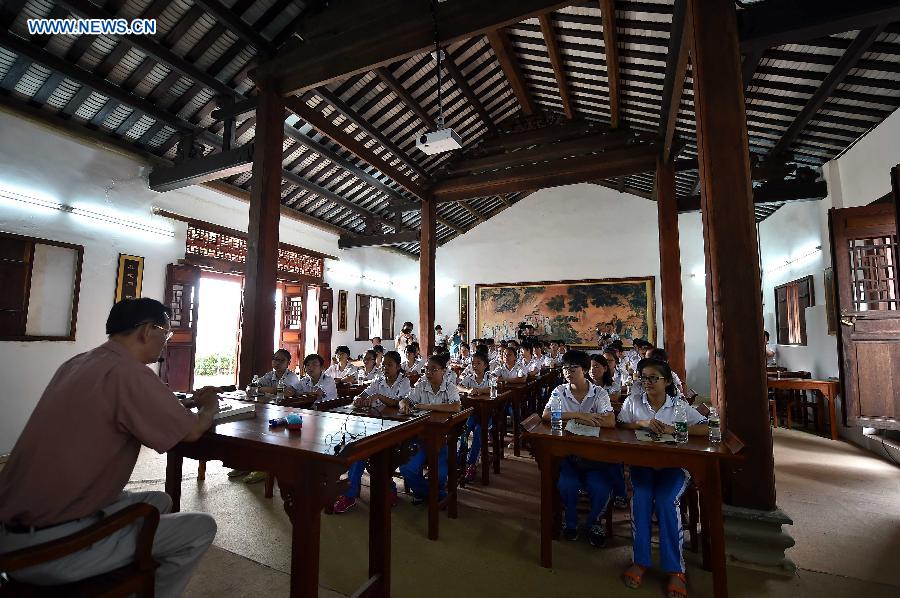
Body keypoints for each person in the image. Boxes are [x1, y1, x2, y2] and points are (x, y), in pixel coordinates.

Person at [0, 298, 217, 596]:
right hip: (50, 549)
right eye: (165, 334)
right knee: (201, 527)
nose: (166, 343)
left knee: (160, 500)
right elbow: (191, 432)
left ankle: (121, 568)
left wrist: (180, 405)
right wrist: (209, 406)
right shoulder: (130, 372)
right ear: (146, 331)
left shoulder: (78, 363)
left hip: (12, 532)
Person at [617, 358, 708, 598]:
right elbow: (619, 425)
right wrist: (642, 423)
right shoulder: (633, 401)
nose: (647, 382)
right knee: (642, 498)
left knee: (667, 501)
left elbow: (706, 427)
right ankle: (641, 561)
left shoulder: (678, 406)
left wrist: (674, 429)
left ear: (667, 381)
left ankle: (675, 570)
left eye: (653, 378)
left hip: (674, 468)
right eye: (644, 378)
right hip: (643, 466)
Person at [542, 350, 617, 547]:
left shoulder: (599, 393)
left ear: (584, 370)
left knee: (600, 487)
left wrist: (568, 415)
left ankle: (594, 522)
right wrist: (579, 415)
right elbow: (547, 415)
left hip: (594, 456)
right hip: (567, 453)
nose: (568, 372)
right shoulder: (559, 391)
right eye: (565, 368)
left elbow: (610, 421)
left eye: (573, 368)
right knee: (567, 484)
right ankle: (571, 520)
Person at [333, 351, 410, 513]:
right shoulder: (378, 380)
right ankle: (350, 495)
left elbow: (400, 402)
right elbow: (361, 395)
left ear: (397, 367)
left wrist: (378, 397)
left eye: (390, 365)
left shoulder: (404, 382)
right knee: (358, 452)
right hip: (374, 426)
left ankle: (390, 487)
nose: (385, 367)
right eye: (384, 364)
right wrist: (358, 400)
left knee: (385, 456)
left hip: (396, 428)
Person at [398, 356, 461, 501]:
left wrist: (425, 406)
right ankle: (436, 496)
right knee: (407, 469)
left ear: (443, 371)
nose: (429, 372)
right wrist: (404, 405)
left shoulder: (450, 387)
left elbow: (455, 406)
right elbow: (405, 400)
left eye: (433, 369)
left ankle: (425, 493)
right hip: (421, 438)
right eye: (427, 369)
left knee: (439, 476)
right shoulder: (421, 386)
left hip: (444, 439)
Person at [457, 353, 492, 483]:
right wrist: (467, 390)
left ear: (485, 365)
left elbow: (495, 387)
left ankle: (472, 464)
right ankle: (460, 458)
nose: (475, 366)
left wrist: (480, 390)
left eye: (478, 363)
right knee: (464, 430)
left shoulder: (490, 376)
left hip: (488, 415)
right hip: (472, 413)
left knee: (478, 432)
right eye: (473, 363)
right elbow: (458, 386)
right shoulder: (469, 378)